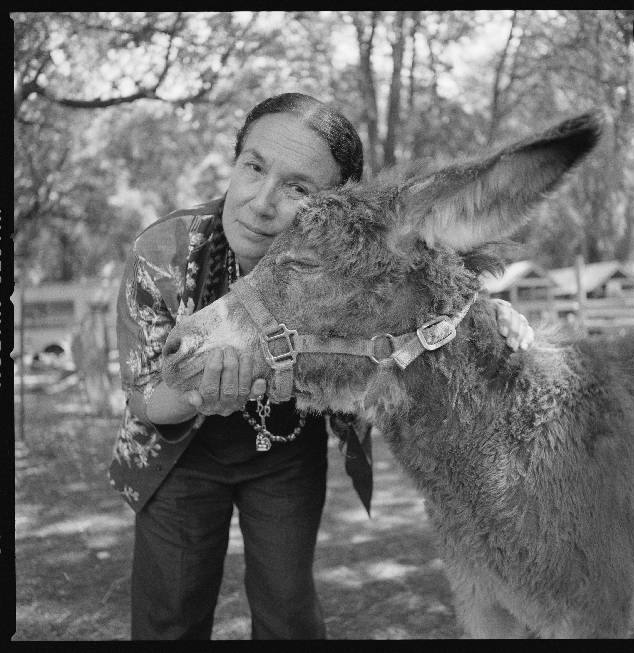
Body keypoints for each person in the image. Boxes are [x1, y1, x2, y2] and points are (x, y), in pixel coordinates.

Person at [109, 92, 534, 640]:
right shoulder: (161, 250)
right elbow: (144, 398)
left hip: (286, 452)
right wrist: (199, 391)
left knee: (288, 614)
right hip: (178, 458)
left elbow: (414, 296)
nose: (262, 203)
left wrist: (486, 313)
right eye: (254, 166)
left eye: (299, 188)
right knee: (169, 614)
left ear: (337, 204)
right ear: (235, 162)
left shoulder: (343, 254)